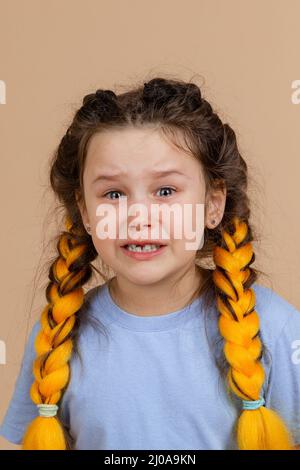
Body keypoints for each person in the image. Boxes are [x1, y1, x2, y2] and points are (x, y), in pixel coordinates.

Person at [0, 77, 299, 450]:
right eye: (113, 193)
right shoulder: (57, 336)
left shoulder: (277, 328)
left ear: (213, 205)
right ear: (85, 212)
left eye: (166, 191)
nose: (139, 216)